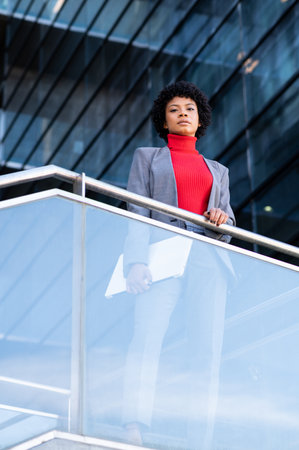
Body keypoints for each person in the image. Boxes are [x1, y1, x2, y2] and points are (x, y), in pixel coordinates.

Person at [121, 80, 235, 448]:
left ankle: (199, 438)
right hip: (162, 255)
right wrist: (135, 262)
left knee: (207, 351)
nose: (183, 113)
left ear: (200, 119)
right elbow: (137, 210)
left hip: (207, 259)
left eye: (189, 109)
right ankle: (134, 424)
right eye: (174, 110)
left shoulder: (218, 170)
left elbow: (229, 223)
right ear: (164, 122)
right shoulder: (146, 158)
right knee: (147, 335)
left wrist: (220, 217)